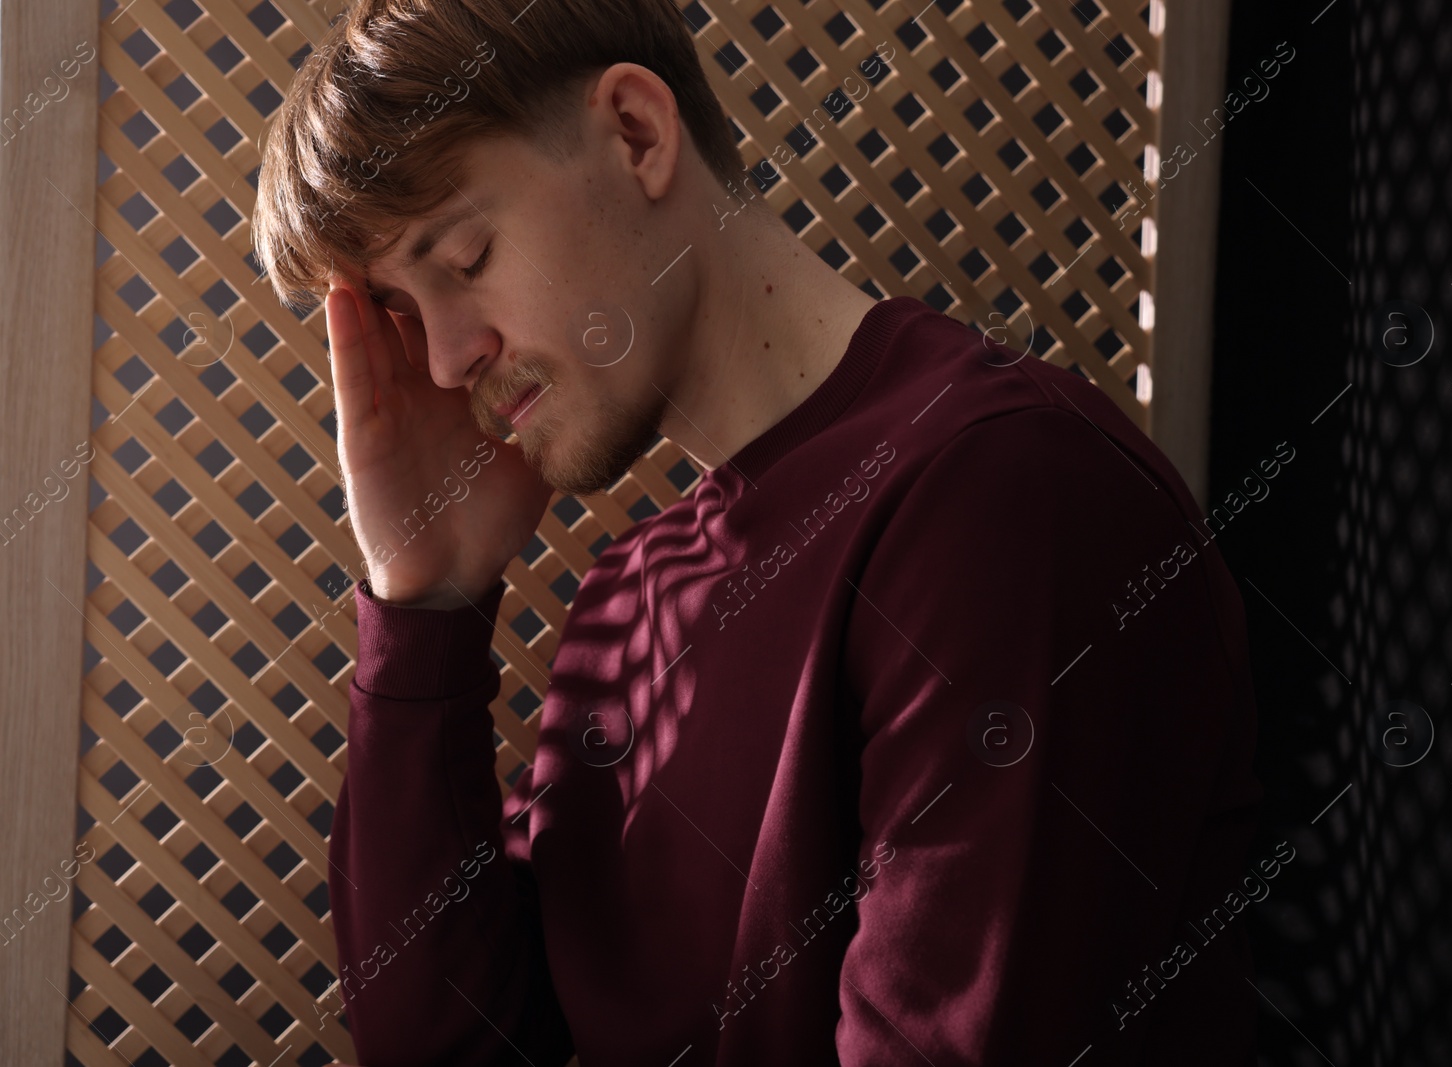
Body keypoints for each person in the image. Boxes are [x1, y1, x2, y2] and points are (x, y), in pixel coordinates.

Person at [252, 1, 1264, 1064]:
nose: (448, 359)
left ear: (637, 133)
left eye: (463, 257)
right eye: (403, 312)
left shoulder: (1005, 496)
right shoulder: (631, 596)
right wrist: (427, 602)